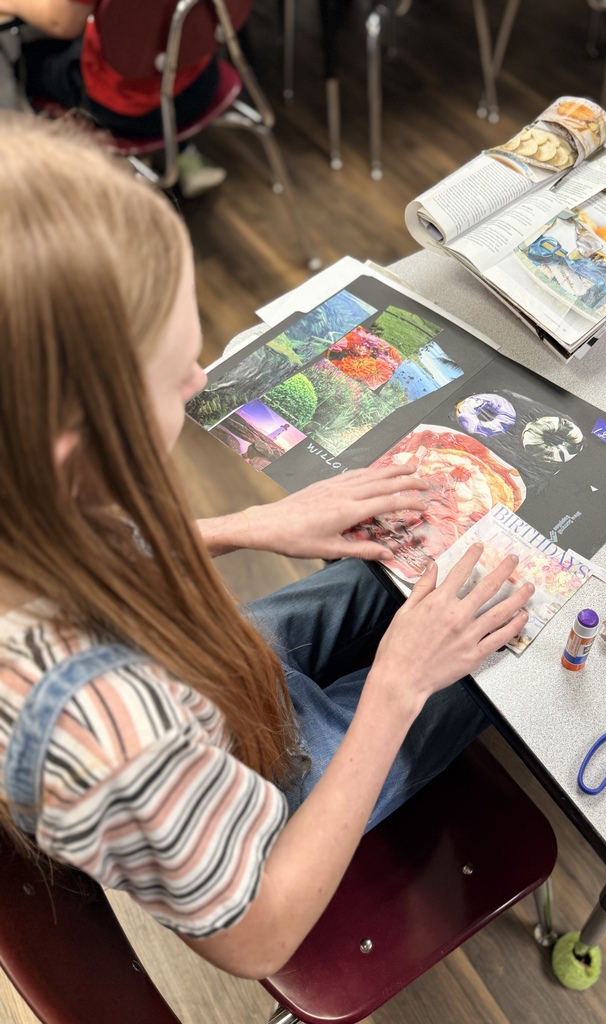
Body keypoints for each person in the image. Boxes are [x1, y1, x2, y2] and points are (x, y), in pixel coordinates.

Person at [0, 112, 532, 979]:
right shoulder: (111, 738)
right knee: (495, 651)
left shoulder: (27, 492)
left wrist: (249, 526)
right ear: (77, 451)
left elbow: (98, 555)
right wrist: (395, 690)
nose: (201, 382)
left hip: (205, 682)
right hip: (249, 803)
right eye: (178, 375)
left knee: (399, 576)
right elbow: (255, 936)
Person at [4, 0, 227, 197]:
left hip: (131, 114)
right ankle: (183, 152)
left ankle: (27, 176)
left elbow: (62, 23)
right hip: (201, 79)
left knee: (24, 57)